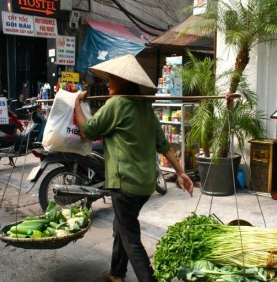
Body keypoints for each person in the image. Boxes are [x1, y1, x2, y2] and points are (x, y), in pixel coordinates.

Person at [74, 54, 194, 282]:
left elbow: (87, 131)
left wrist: (77, 103)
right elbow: (165, 146)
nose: (108, 84)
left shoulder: (116, 104)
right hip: (144, 185)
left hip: (125, 184)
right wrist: (180, 172)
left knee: (130, 237)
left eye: (111, 79)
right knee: (122, 226)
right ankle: (117, 274)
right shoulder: (145, 107)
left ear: (123, 80)